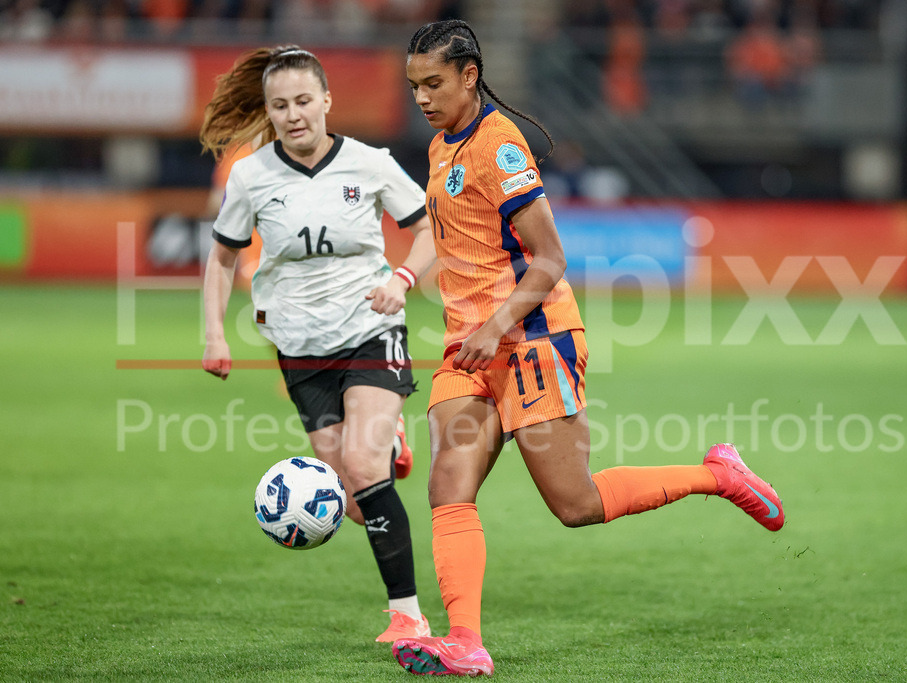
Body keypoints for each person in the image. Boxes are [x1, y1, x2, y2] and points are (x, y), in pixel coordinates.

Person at [393, 20, 785, 677]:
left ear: (469, 75)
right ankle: (466, 641)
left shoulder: (500, 146)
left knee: (576, 504)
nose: (423, 98)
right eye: (414, 87)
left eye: (434, 83)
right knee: (447, 485)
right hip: (471, 345)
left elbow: (549, 258)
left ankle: (718, 474)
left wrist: (496, 325)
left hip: (532, 336)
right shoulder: (442, 147)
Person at [198, 45, 436, 643]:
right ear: (269, 111)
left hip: (370, 331)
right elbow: (223, 257)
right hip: (300, 350)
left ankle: (406, 615)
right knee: (352, 496)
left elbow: (429, 229)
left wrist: (402, 280)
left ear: (326, 101)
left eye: (304, 100)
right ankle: (388, 448)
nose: (293, 114)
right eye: (280, 105)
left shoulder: (371, 164)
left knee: (361, 465)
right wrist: (213, 332)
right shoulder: (250, 175)